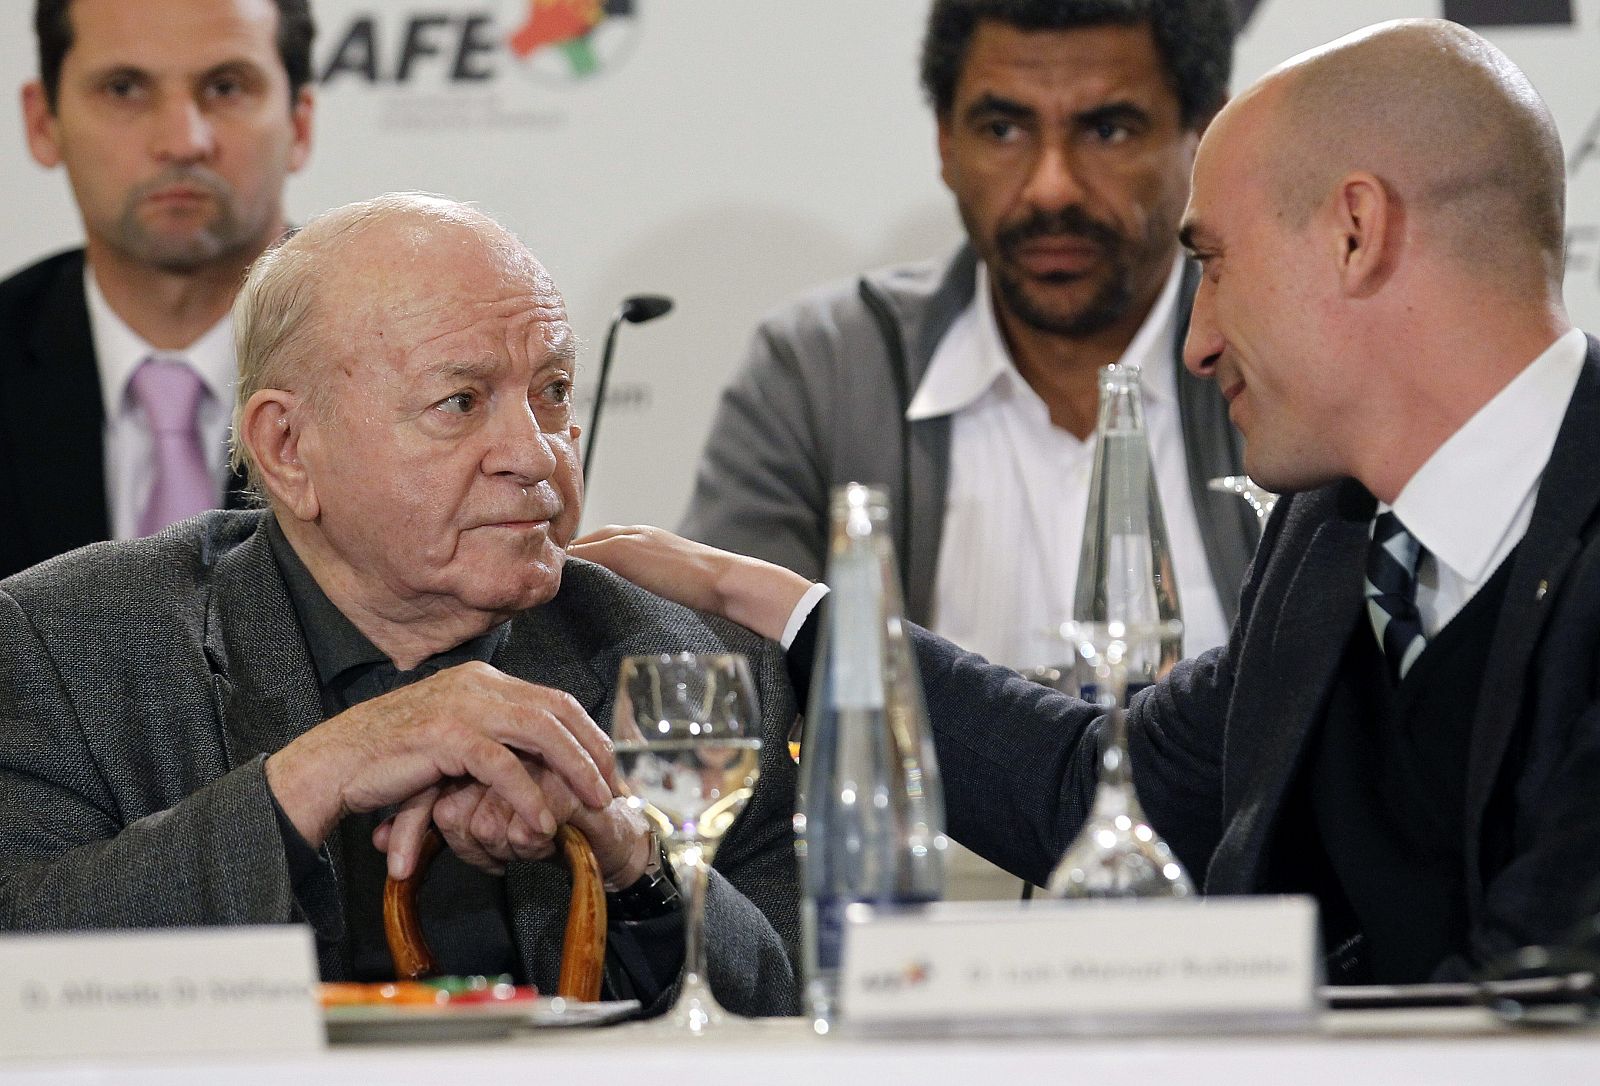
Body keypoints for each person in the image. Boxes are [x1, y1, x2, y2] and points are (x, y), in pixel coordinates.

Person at [577, 18, 1600, 983]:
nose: (1195, 341)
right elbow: (1107, 786)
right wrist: (786, 610)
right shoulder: (1333, 534)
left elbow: (1541, 990)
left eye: (1211, 264)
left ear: (1354, 231)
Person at [0, 193, 800, 1016]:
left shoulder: (689, 670)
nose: (534, 454)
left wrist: (634, 858)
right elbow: (21, 957)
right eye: (460, 402)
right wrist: (315, 775)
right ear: (288, 449)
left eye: (554, 391)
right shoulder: (64, 646)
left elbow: (791, 1013)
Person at [680, 0, 1255, 672]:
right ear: (946, 143)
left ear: (1205, 134)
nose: (1051, 189)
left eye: (1107, 130)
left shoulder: (1287, 361)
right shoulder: (820, 372)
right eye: (1004, 128)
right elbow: (727, 683)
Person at [0, 0, 316, 580]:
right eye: (124, 89)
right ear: (42, 122)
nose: (183, 141)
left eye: (225, 87)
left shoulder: (425, 366)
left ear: (300, 123)